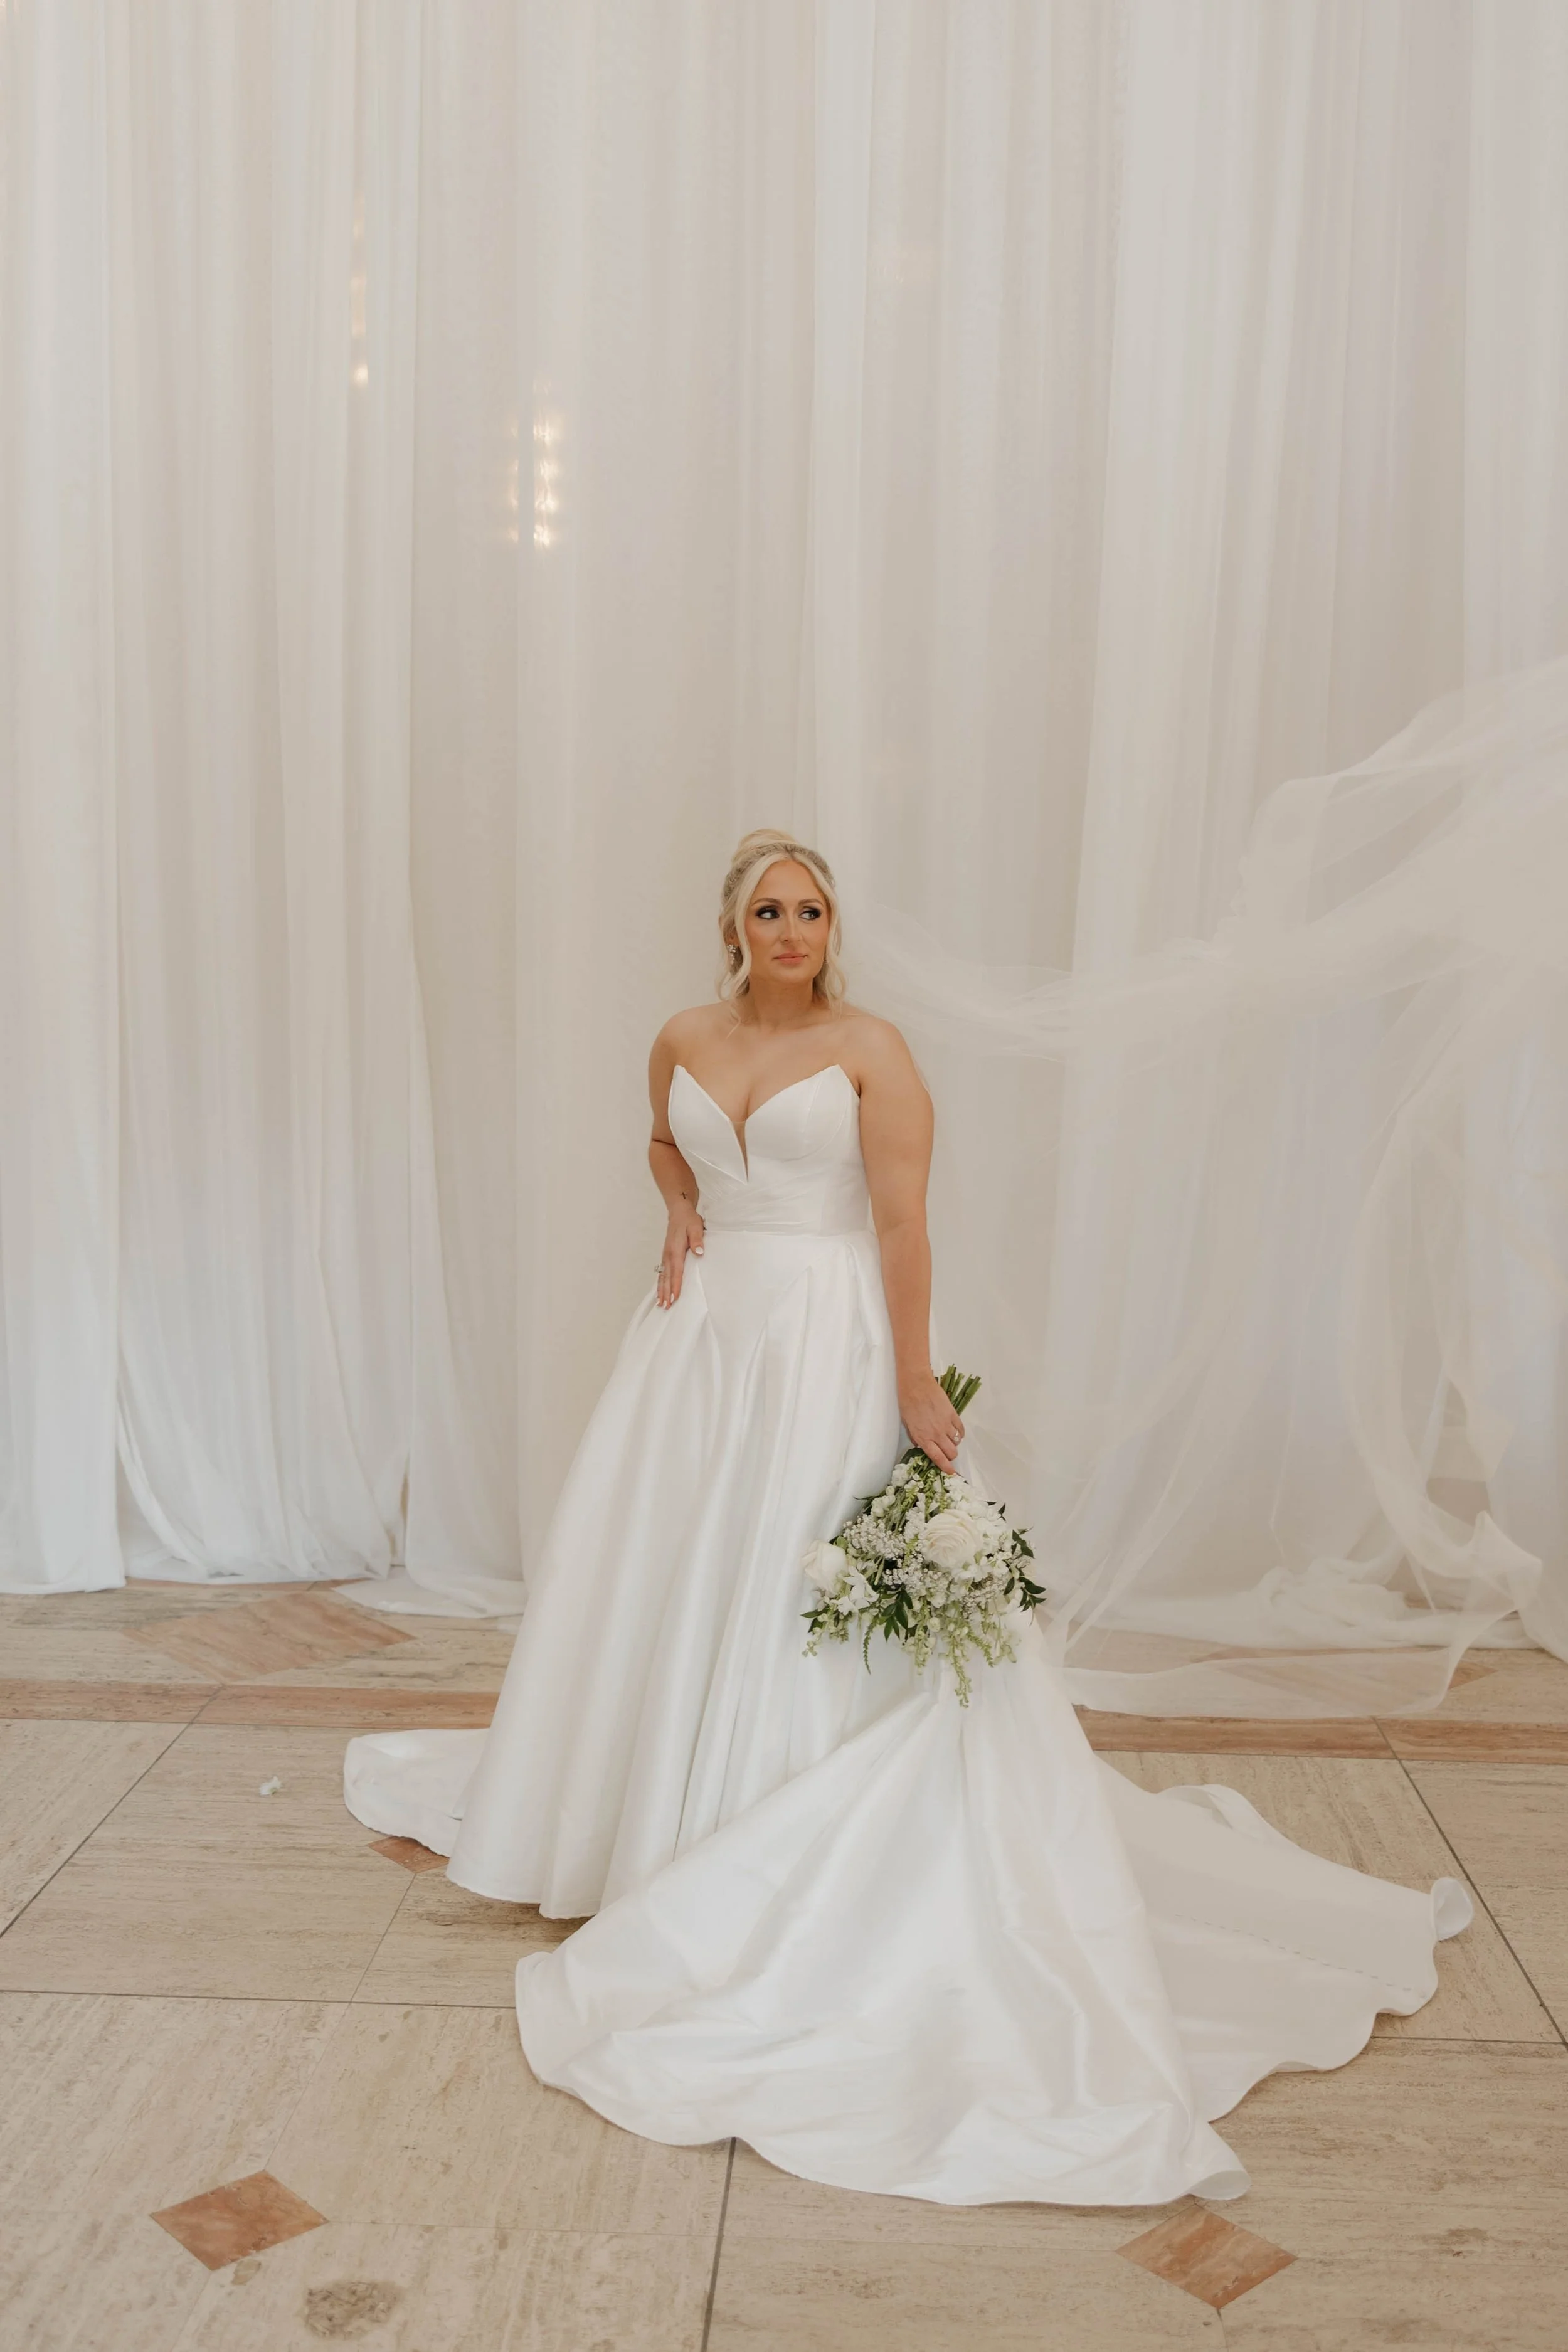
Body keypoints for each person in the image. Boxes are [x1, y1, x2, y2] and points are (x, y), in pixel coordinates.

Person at [346, 827, 1469, 2207]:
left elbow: (897, 1228)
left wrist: (913, 1373)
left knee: (792, 1574)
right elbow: (656, 1141)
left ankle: (772, 1840)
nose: (790, 928)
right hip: (700, 1345)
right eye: (767, 908)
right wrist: (679, 1212)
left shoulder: (873, 1051)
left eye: (810, 909)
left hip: (823, 1337)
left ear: (831, 928)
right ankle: (646, 1818)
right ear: (731, 924)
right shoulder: (680, 1036)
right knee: (670, 1570)